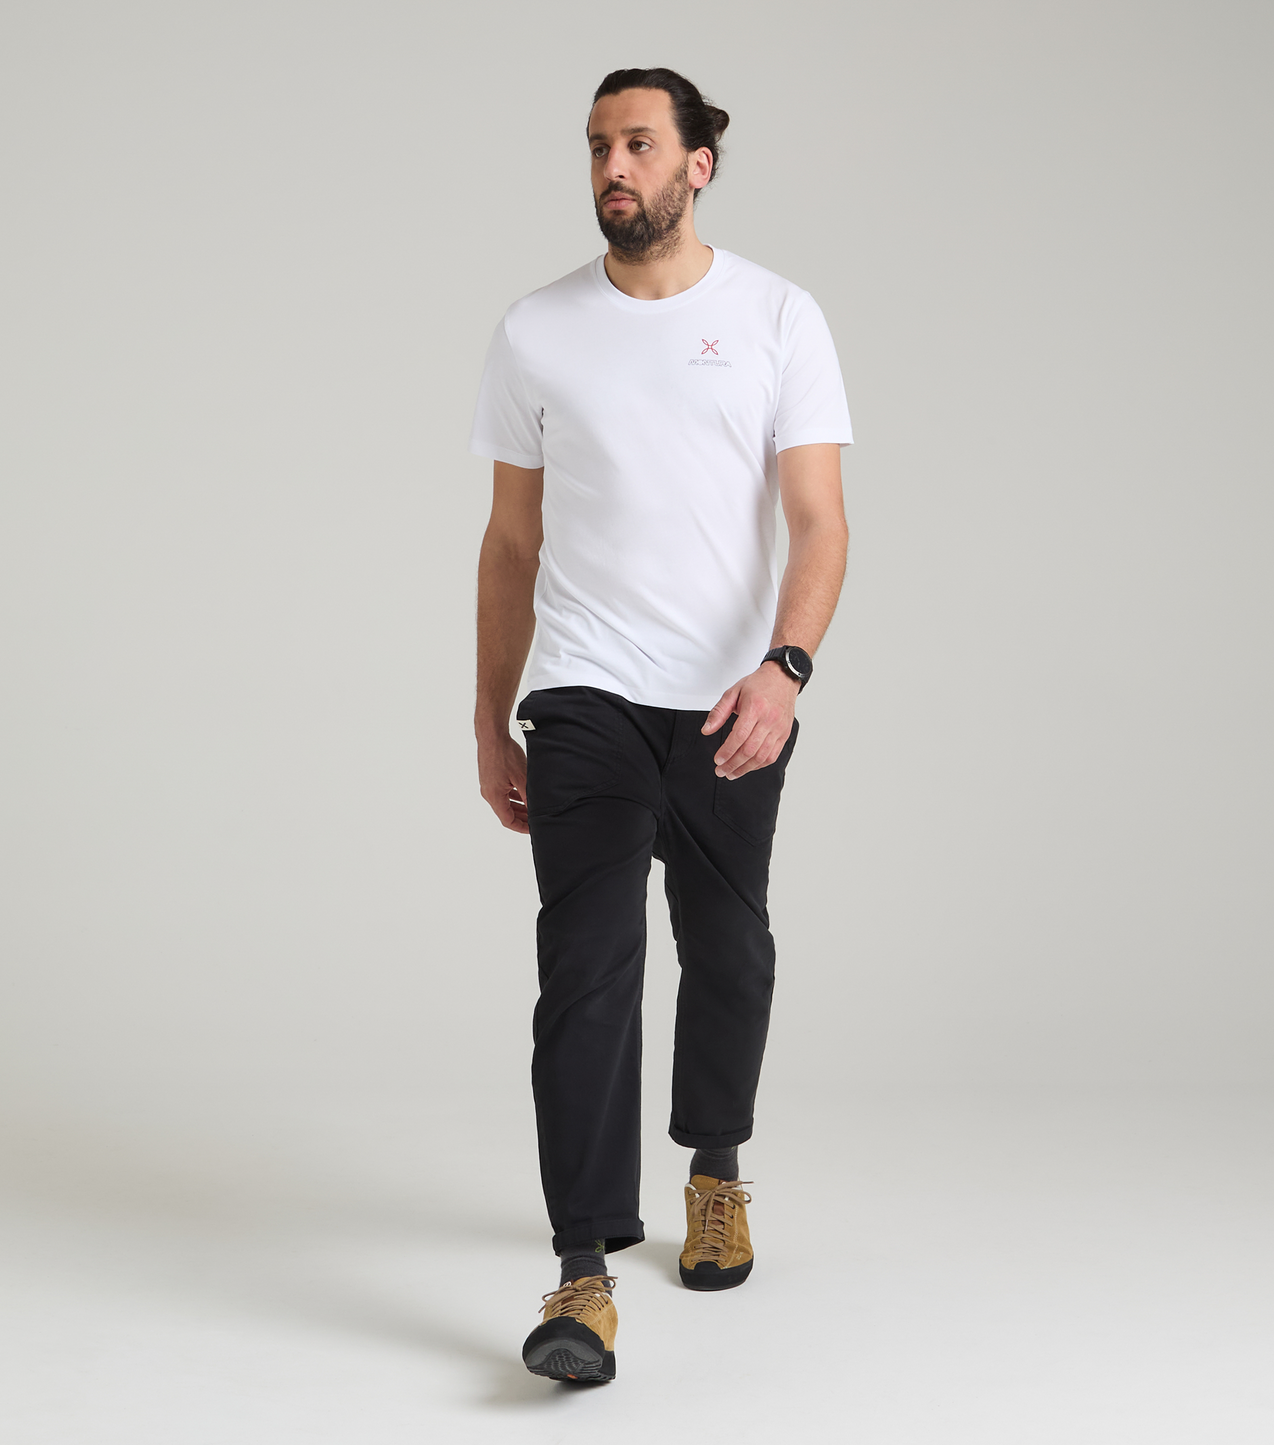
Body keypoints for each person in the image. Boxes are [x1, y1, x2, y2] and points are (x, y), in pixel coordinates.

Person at [470, 66, 852, 1384]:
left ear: (700, 163)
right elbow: (509, 543)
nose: (612, 168)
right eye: (597, 147)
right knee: (585, 967)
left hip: (732, 698)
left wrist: (784, 671)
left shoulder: (778, 317)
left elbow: (820, 522)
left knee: (729, 953)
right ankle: (582, 1274)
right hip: (584, 692)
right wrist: (490, 719)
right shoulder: (537, 330)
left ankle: (716, 1169)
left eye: (637, 144)